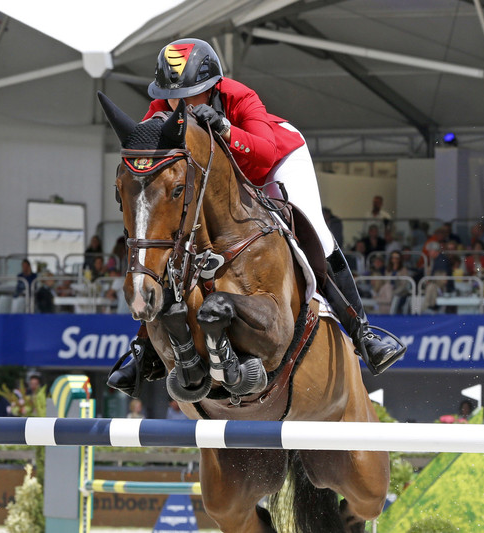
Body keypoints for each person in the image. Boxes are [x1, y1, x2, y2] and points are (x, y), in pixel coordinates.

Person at [107, 38, 404, 395]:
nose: (180, 104)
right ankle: (144, 349)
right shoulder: (161, 106)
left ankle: (362, 332)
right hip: (216, 179)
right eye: (174, 97)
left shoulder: (239, 97)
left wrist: (224, 128)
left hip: (273, 160)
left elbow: (262, 155)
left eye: (191, 95)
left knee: (315, 229)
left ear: (213, 87)